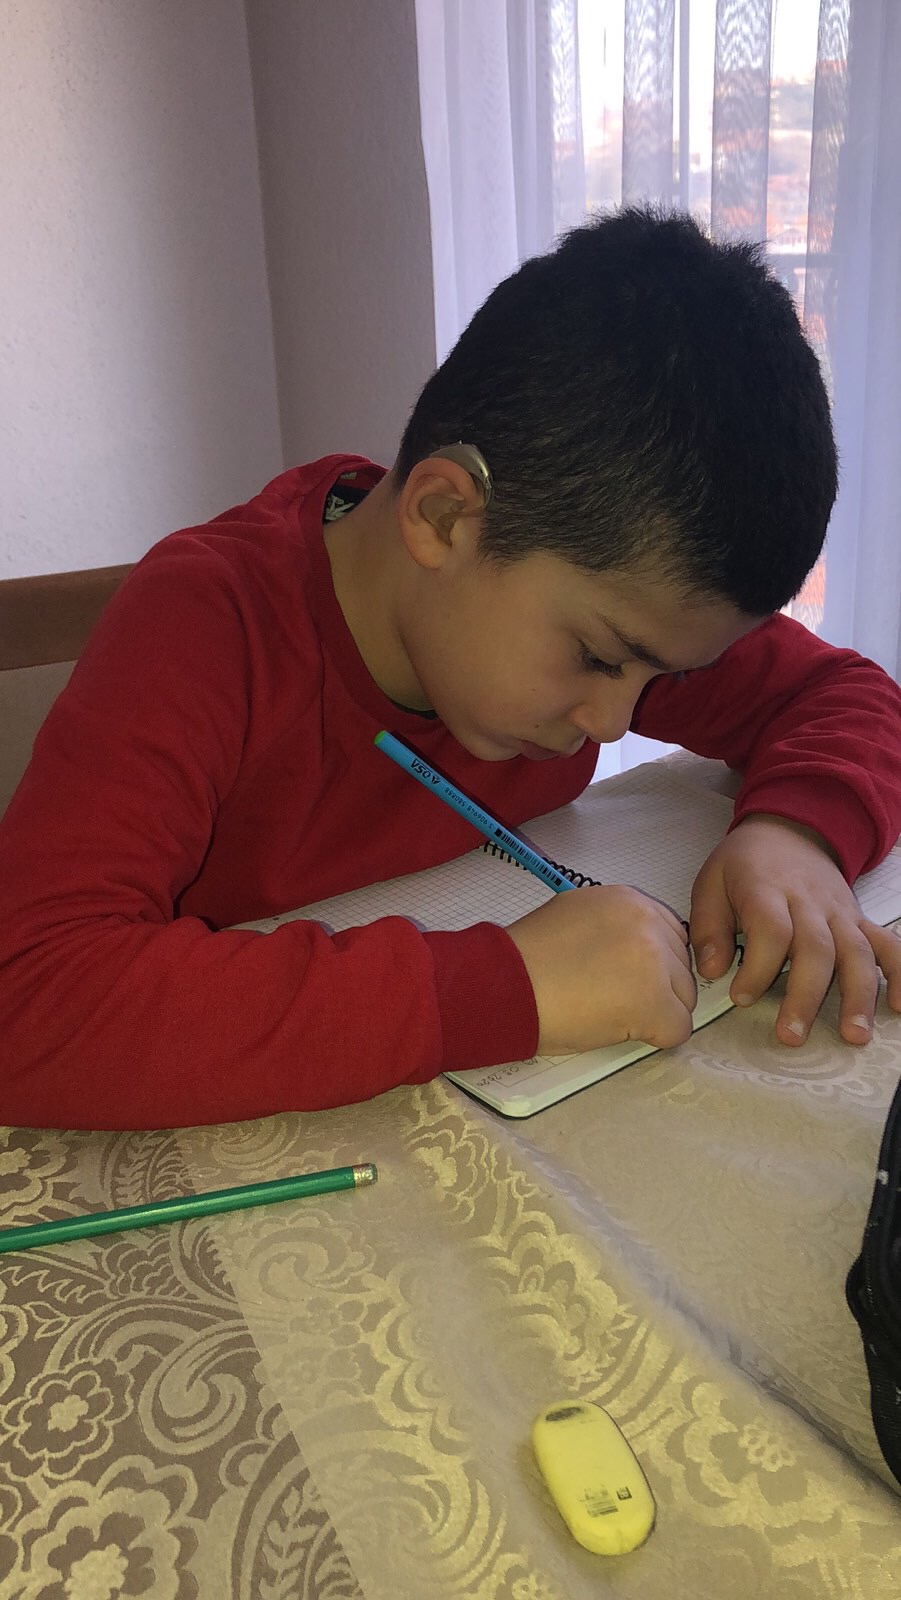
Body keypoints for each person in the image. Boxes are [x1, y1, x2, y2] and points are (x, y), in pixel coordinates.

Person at [1, 205, 900, 1130]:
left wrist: (795, 834)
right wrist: (501, 987)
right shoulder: (205, 626)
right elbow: (28, 996)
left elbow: (841, 693)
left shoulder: (613, 599)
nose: (613, 721)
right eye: (596, 658)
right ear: (443, 518)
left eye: (655, 676)